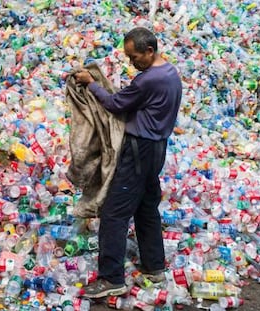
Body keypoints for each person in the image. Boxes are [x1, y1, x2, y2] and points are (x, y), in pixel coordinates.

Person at [74, 27, 182, 298]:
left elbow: (114, 103)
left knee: (114, 213)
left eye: (135, 57)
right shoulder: (170, 72)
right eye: (128, 57)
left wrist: (91, 83)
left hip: (138, 150)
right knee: (146, 208)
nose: (132, 63)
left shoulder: (148, 80)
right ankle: (154, 266)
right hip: (157, 148)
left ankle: (111, 279)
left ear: (150, 51)